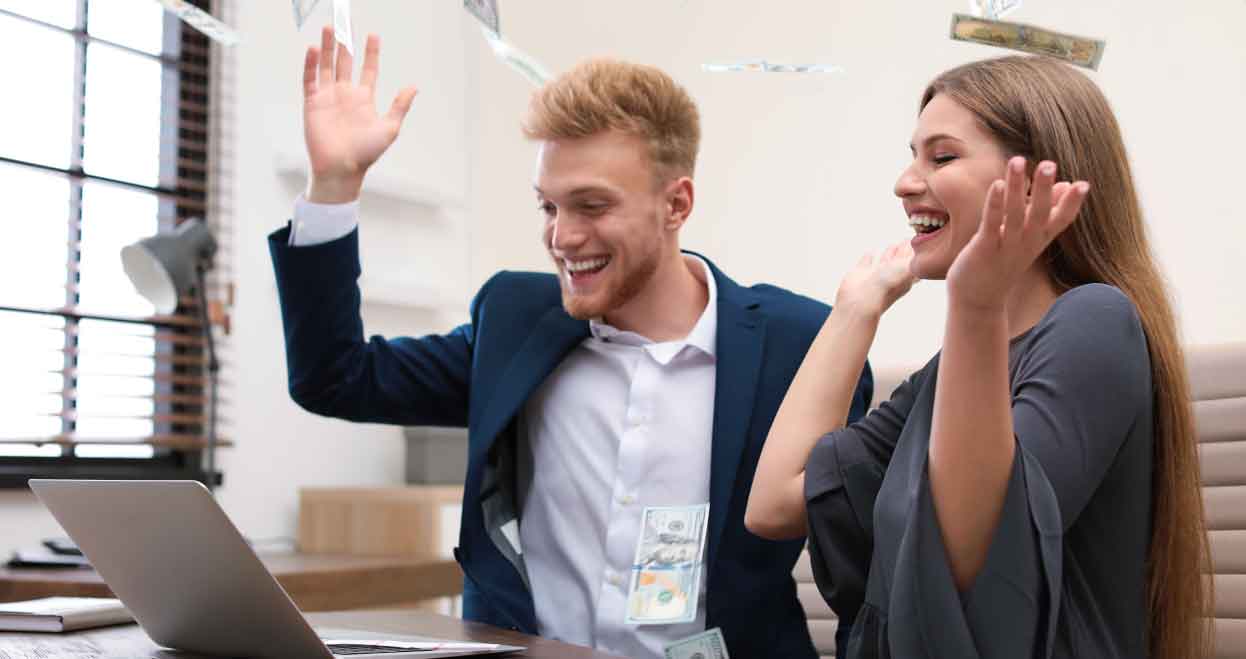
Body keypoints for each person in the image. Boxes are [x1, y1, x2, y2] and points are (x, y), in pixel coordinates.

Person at [269, 27, 873, 658]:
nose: (562, 236)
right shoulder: (516, 321)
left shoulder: (800, 343)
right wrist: (334, 187)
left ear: (677, 203)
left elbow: (871, 553)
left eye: (591, 206)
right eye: (548, 208)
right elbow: (333, 377)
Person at [746, 55, 1211, 658]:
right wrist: (855, 309)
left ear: (1039, 177)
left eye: (941, 156)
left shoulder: (1095, 319)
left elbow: (972, 560)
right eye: (913, 155)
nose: (905, 182)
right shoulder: (952, 371)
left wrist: (975, 305)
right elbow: (775, 504)